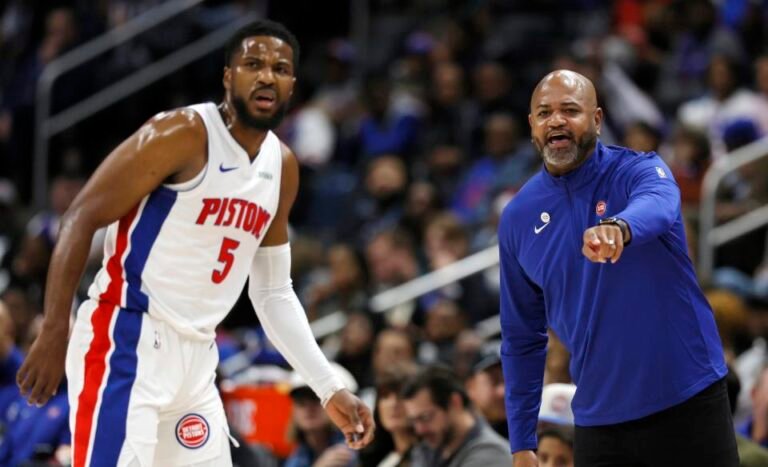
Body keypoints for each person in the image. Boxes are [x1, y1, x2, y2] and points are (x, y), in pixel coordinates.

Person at [15, 19, 374, 467]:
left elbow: (273, 292)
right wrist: (55, 329)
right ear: (228, 77)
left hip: (198, 359)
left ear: (292, 85)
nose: (267, 75)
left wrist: (328, 385)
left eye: (280, 68)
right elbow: (80, 217)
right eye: (253, 64)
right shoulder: (183, 133)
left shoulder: (282, 167)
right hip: (126, 341)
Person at [498, 70, 738, 467]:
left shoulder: (638, 171)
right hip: (600, 421)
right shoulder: (517, 219)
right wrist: (522, 442)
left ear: (596, 119)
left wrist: (620, 228)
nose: (555, 120)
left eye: (570, 110)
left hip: (688, 397)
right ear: (532, 126)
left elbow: (660, 204)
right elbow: (522, 337)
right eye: (544, 113)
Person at [401, 365, 512, 467]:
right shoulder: (427, 450)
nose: (420, 429)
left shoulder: (491, 454)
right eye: (414, 421)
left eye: (425, 417)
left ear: (455, 402)